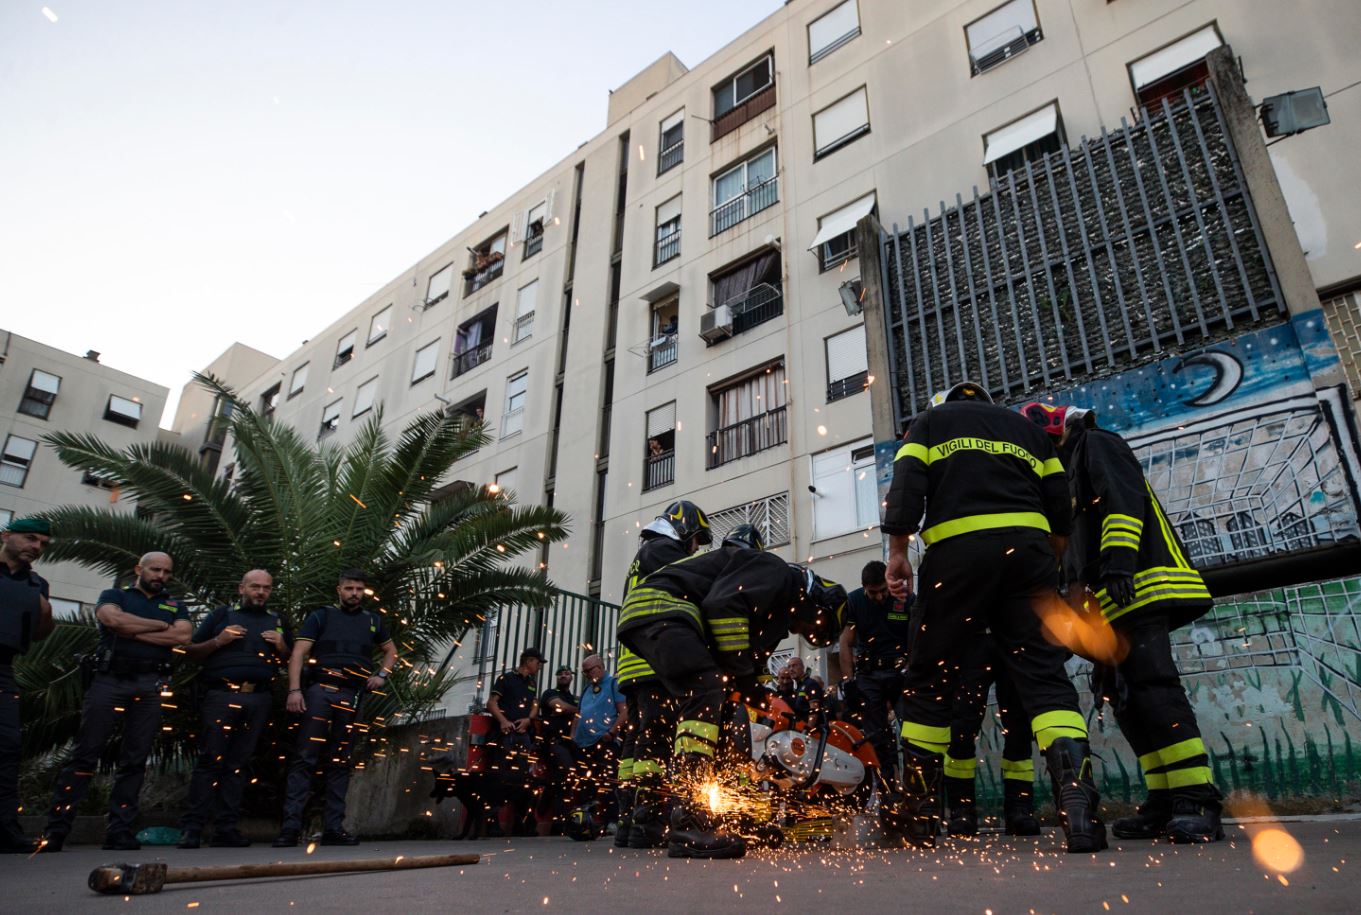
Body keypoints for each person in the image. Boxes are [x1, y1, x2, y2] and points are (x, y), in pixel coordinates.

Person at [882, 381, 1104, 854]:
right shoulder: (1027, 430)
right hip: (1029, 557)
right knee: (1045, 677)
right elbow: (1059, 505)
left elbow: (906, 486)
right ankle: (1080, 811)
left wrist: (898, 552)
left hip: (956, 557)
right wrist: (1051, 563)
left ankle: (918, 817)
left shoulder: (931, 422)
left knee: (930, 678)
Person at [1023, 400, 1221, 843]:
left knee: (1153, 684)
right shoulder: (1065, 469)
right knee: (1125, 697)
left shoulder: (1096, 443)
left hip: (1139, 583)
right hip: (1109, 603)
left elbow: (1123, 500)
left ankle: (1196, 797)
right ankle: (1164, 798)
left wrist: (1117, 567)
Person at [617, 534, 845, 860]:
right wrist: (743, 677)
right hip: (662, 606)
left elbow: (741, 653)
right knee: (706, 690)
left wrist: (749, 688)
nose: (800, 630)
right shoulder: (776, 571)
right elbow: (721, 606)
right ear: (815, 598)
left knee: (720, 708)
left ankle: (719, 814)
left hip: (657, 613)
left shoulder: (773, 605)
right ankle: (689, 820)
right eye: (810, 625)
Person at [42, 552, 190, 852]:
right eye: (155, 569)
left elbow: (183, 637)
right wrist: (160, 626)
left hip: (150, 685)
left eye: (167, 571)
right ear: (139, 569)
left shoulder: (175, 605)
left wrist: (132, 630)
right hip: (109, 682)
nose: (161, 575)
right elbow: (111, 619)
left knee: (135, 759)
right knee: (85, 754)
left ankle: (120, 830)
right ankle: (57, 830)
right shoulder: (115, 594)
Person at [614, 502, 715, 849]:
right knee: (655, 736)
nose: (696, 548)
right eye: (695, 541)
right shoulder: (662, 550)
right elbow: (693, 584)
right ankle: (648, 820)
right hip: (651, 661)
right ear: (684, 529)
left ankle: (629, 821)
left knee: (637, 741)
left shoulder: (645, 554)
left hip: (631, 663)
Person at [273, 569, 396, 848]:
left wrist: (382, 675)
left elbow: (391, 651)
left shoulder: (373, 621)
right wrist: (294, 691)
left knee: (341, 761)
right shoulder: (321, 617)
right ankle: (290, 829)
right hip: (320, 692)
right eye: (349, 588)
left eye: (359, 589)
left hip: (352, 696)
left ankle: (333, 828)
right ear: (339, 590)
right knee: (305, 757)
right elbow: (298, 654)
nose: (354, 593)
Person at [179, 570, 291, 848]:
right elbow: (188, 651)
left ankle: (225, 828)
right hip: (220, 696)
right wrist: (219, 641)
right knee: (209, 761)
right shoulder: (221, 616)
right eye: (255, 586)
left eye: (266, 587)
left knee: (238, 765)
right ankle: (192, 828)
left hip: (259, 698)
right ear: (242, 588)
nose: (261, 592)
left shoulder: (277, 621)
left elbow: (293, 661)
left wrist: (282, 646)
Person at [944, 641, 1040, 837]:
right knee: (961, 728)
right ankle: (961, 810)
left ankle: (1019, 809)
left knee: (1019, 726)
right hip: (971, 639)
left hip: (1012, 639)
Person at [0, 518, 54, 853]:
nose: (36, 547)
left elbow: (39, 633)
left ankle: (6, 831)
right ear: (6, 536)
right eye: (30, 538)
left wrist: (45, 610)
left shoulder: (37, 584)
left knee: (7, 748)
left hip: (4, 668)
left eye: (43, 544)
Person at [838, 560, 912, 787]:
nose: (879, 597)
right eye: (873, 593)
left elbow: (918, 637)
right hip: (869, 675)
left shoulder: (904, 597)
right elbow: (845, 643)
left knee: (912, 732)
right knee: (875, 736)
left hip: (901, 673)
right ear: (864, 587)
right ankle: (887, 789)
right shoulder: (853, 601)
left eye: (883, 591)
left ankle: (915, 788)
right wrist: (848, 682)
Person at [485, 647, 543, 836]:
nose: (539, 666)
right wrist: (503, 722)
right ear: (527, 661)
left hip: (523, 736)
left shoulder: (532, 683)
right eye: (537, 662)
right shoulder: (505, 679)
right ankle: (492, 822)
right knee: (498, 777)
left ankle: (522, 822)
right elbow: (491, 702)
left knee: (522, 779)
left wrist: (529, 719)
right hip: (505, 735)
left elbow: (535, 704)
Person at [569, 654, 626, 831]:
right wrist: (572, 736)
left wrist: (612, 732)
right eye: (584, 672)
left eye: (589, 670)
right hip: (582, 743)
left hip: (604, 740)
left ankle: (612, 821)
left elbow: (624, 712)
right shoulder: (587, 689)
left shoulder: (612, 684)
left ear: (600, 667)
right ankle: (587, 822)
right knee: (587, 784)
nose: (587, 674)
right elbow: (579, 714)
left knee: (608, 781)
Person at [538, 665, 579, 829]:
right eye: (560, 673)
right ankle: (559, 819)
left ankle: (556, 814)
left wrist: (571, 710)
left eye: (567, 673)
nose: (564, 676)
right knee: (566, 774)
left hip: (571, 743)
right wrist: (575, 711)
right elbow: (559, 707)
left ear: (572, 677)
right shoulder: (550, 693)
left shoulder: (574, 698)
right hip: (553, 741)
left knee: (562, 778)